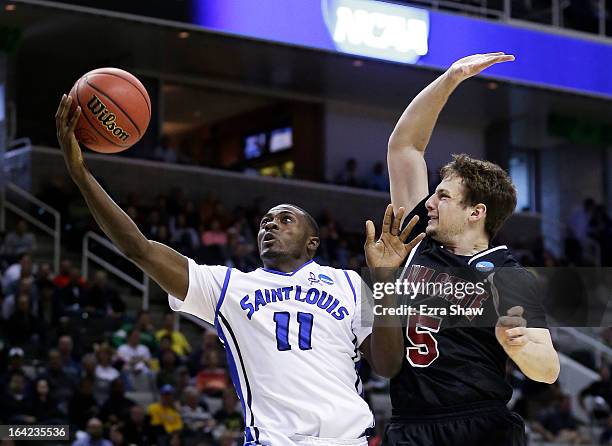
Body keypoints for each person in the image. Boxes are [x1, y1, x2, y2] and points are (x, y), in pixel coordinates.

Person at [55, 95, 421, 446]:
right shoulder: (230, 286)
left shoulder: (350, 283)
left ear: (312, 241)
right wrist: (82, 175)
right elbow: (141, 250)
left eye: (285, 219)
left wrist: (386, 280)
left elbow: (388, 365)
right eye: (265, 221)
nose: (270, 225)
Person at [368, 52, 560, 445]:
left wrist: (520, 348)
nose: (431, 203)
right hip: (410, 424)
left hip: (480, 425)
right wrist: (451, 78)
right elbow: (404, 147)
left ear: (476, 212)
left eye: (443, 196)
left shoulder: (507, 274)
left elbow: (549, 369)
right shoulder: (417, 235)